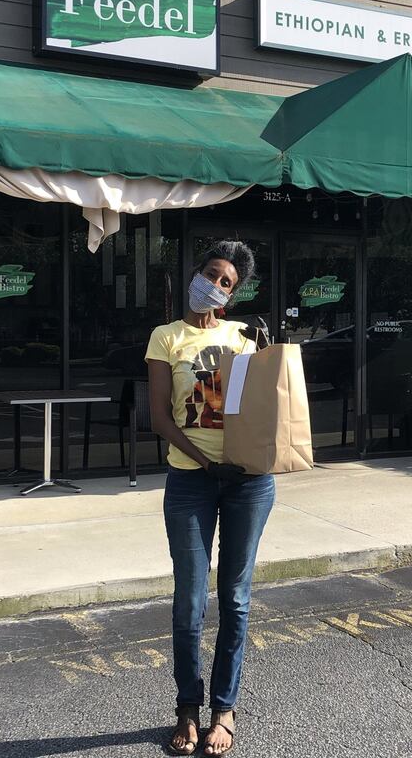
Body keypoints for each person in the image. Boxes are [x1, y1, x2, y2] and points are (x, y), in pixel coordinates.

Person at [146, 241, 274, 756]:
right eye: (212, 275)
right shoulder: (165, 338)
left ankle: (224, 709)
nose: (217, 285)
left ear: (233, 294)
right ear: (195, 275)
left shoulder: (245, 339)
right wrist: (204, 463)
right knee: (189, 602)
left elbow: (265, 409)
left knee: (236, 598)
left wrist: (270, 353)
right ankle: (186, 707)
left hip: (248, 481)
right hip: (190, 480)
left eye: (228, 283)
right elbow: (160, 418)